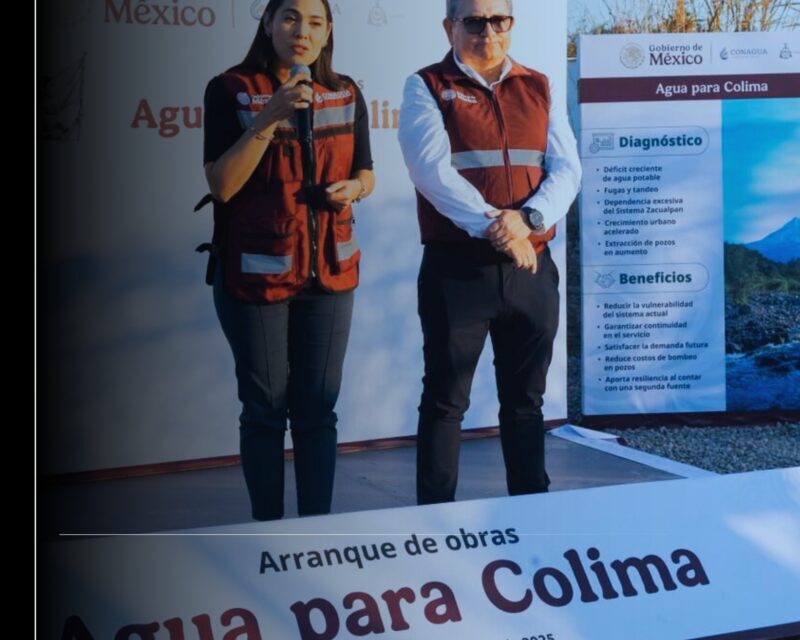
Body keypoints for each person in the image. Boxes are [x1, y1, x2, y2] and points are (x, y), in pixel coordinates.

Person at [398, 0, 581, 505]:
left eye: (498, 19)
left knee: (526, 404)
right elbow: (431, 173)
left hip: (531, 269)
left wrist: (528, 221)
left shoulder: (539, 85)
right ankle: (433, 524)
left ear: (512, 24)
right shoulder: (426, 86)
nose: (488, 30)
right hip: (457, 270)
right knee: (445, 402)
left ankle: (532, 515)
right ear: (449, 27)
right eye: (473, 21)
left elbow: (567, 170)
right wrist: (500, 229)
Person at [200, 0, 375, 520]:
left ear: (328, 34)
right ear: (269, 23)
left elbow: (367, 170)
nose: (303, 30)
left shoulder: (345, 91)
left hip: (330, 274)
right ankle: (268, 534)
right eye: (291, 17)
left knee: (318, 413)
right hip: (257, 278)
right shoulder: (229, 89)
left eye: (316, 21)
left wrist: (356, 188)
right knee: (264, 414)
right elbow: (222, 184)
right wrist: (269, 117)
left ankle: (314, 534)